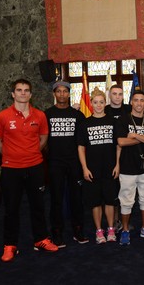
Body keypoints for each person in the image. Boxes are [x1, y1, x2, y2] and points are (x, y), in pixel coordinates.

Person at [0, 79, 58, 262]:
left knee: (38, 206)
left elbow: (44, 137)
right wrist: (11, 154)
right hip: (11, 169)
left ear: (30, 94)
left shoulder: (39, 116)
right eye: (19, 90)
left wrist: (33, 152)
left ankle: (41, 239)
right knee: (11, 208)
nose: (23, 93)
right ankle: (10, 245)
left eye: (26, 90)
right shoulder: (2, 116)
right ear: (13, 94)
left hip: (35, 167)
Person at [44, 81, 88, 247]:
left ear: (69, 94)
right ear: (54, 94)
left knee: (77, 198)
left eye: (65, 91)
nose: (62, 94)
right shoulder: (47, 114)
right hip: (55, 162)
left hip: (74, 163)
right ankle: (56, 232)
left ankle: (78, 230)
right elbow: (43, 138)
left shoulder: (77, 115)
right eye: (59, 91)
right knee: (56, 198)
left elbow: (83, 140)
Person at [77, 88, 121, 244]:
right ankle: (99, 231)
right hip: (92, 170)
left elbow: (118, 146)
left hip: (110, 168)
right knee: (95, 202)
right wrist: (84, 168)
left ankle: (110, 229)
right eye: (95, 102)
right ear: (91, 103)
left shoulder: (113, 121)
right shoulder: (84, 124)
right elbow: (81, 148)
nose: (99, 105)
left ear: (105, 103)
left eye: (101, 102)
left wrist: (117, 164)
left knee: (110, 200)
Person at [115, 90, 144, 245]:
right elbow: (121, 142)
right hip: (127, 167)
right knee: (126, 201)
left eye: (142, 100)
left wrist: (134, 135)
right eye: (136, 100)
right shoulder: (123, 119)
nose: (139, 103)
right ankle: (125, 230)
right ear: (131, 102)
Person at [104, 84, 132, 232]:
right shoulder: (105, 109)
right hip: (108, 154)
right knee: (113, 190)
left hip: (126, 153)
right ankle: (114, 221)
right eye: (114, 94)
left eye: (120, 94)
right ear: (109, 95)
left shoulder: (128, 109)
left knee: (126, 189)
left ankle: (124, 219)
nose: (117, 96)